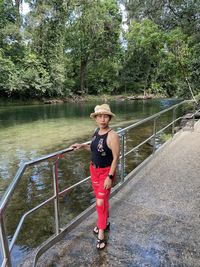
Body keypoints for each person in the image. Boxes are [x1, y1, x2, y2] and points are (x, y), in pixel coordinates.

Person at [71, 104, 120, 249]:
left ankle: (101, 233)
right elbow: (94, 149)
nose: (103, 119)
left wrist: (109, 177)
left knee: (99, 202)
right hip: (94, 171)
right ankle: (105, 222)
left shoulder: (113, 135)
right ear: (96, 119)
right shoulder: (96, 132)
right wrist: (82, 146)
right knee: (102, 200)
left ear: (109, 118)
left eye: (105, 116)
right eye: (100, 116)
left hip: (106, 173)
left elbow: (116, 157)